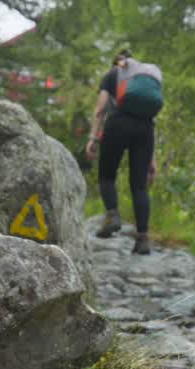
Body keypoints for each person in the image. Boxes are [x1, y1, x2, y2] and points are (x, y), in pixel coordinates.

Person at [85, 49, 160, 255]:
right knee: (139, 186)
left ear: (117, 62)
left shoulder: (113, 73)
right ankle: (143, 238)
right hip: (145, 129)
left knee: (107, 175)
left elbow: (101, 108)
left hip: (118, 123)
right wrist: (151, 159)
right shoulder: (146, 78)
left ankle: (113, 215)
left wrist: (92, 138)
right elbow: (152, 120)